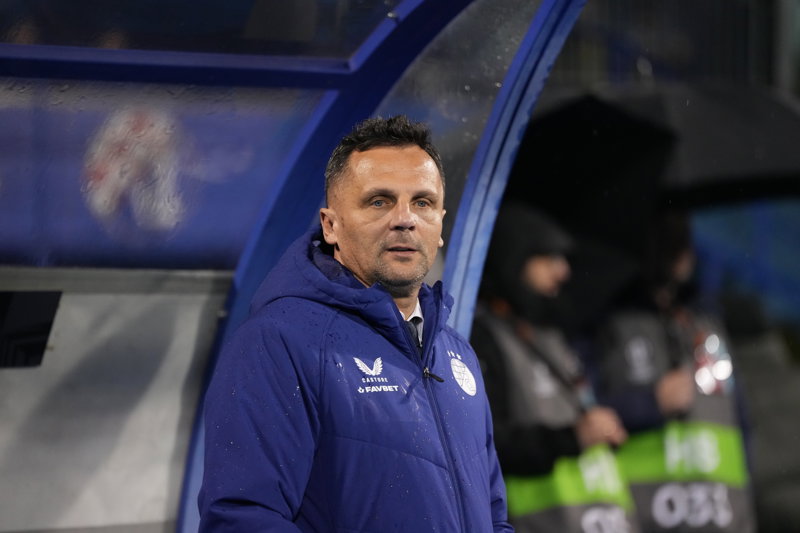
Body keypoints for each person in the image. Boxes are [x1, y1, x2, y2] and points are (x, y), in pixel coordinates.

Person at [198, 115, 513, 532]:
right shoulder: (278, 342)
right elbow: (241, 518)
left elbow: (494, 517)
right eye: (379, 201)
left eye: (422, 203)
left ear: (440, 224)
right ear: (331, 225)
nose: (405, 219)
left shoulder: (456, 353)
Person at [471, 202, 637, 532]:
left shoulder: (550, 332)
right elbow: (487, 443)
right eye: (548, 257)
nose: (563, 271)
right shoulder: (483, 338)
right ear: (514, 260)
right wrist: (571, 438)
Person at [591, 209, 756, 532]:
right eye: (674, 243)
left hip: (723, 516)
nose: (685, 255)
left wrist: (745, 500)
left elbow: (741, 422)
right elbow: (585, 414)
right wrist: (651, 403)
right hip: (647, 517)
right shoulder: (610, 327)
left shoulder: (706, 324)